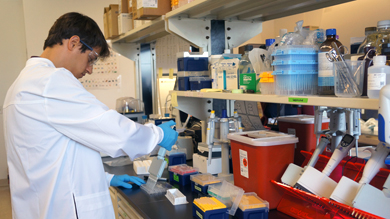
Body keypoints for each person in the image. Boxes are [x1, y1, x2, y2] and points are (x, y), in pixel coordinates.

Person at [3, 12, 178, 219]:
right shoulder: (51, 81)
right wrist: (157, 134)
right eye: (91, 58)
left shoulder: (23, 83)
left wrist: (105, 179)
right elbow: (111, 128)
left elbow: (49, 157)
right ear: (74, 43)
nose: (89, 69)